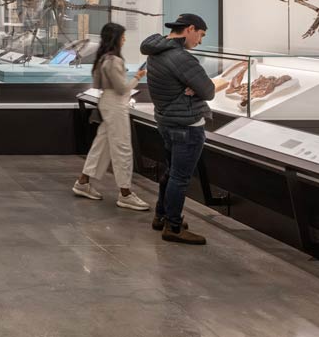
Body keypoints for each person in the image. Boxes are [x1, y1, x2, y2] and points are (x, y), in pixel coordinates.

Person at [140, 13, 219, 245]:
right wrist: (194, 87)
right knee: (180, 177)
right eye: (201, 35)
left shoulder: (156, 52)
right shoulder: (182, 58)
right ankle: (173, 227)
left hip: (166, 121)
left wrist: (190, 86)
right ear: (190, 29)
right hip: (187, 124)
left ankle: (161, 215)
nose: (200, 41)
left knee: (171, 171)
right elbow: (209, 91)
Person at [72, 23, 149, 211]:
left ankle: (83, 182)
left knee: (102, 144)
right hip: (116, 104)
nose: (125, 39)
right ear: (116, 38)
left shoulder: (102, 59)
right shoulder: (114, 60)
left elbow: (100, 84)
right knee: (122, 147)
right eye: (122, 36)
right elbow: (122, 89)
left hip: (107, 102)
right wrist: (137, 78)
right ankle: (125, 193)